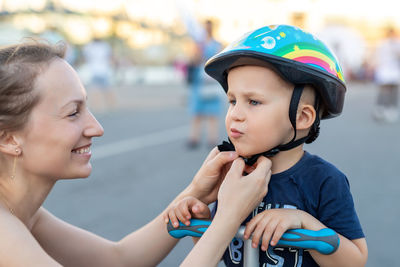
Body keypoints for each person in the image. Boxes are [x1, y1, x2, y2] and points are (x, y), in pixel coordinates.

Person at [0, 40, 272, 266]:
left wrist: (195, 193)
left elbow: (120, 260)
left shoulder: (24, 213)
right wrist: (228, 217)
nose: (96, 128)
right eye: (73, 113)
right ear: (8, 137)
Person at [166, 24, 368, 266]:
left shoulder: (324, 180)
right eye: (232, 101)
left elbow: (355, 260)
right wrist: (202, 221)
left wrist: (304, 222)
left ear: (302, 117)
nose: (235, 115)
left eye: (253, 101)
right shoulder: (233, 175)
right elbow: (219, 251)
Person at [186, 20, 223, 149]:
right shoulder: (198, 44)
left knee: (213, 113)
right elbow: (193, 60)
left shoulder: (217, 44)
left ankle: (212, 138)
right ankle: (194, 138)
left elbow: (219, 59)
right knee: (197, 112)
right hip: (199, 82)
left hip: (211, 80)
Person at [372, 26, 400, 123]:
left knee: (393, 91)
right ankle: (380, 110)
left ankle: (390, 110)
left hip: (393, 71)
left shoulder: (396, 43)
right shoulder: (384, 43)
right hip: (385, 70)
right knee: (384, 91)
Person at [82, 37, 116, 113]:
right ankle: (111, 106)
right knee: (107, 89)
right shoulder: (105, 46)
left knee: (95, 90)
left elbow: (85, 57)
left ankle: (97, 108)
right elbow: (111, 57)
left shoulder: (89, 46)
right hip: (104, 70)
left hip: (94, 71)